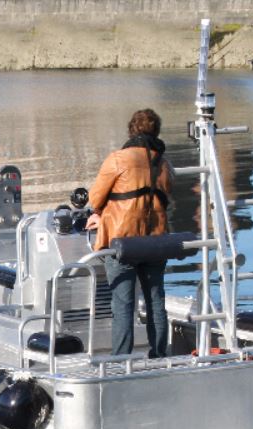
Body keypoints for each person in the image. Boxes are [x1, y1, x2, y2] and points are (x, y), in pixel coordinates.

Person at [86, 108, 173, 358]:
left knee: (123, 304)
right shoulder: (164, 163)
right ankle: (159, 355)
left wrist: (99, 212)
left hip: (121, 241)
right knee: (156, 300)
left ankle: (121, 359)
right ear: (156, 131)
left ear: (131, 130)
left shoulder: (118, 159)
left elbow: (95, 197)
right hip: (155, 240)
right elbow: (166, 196)